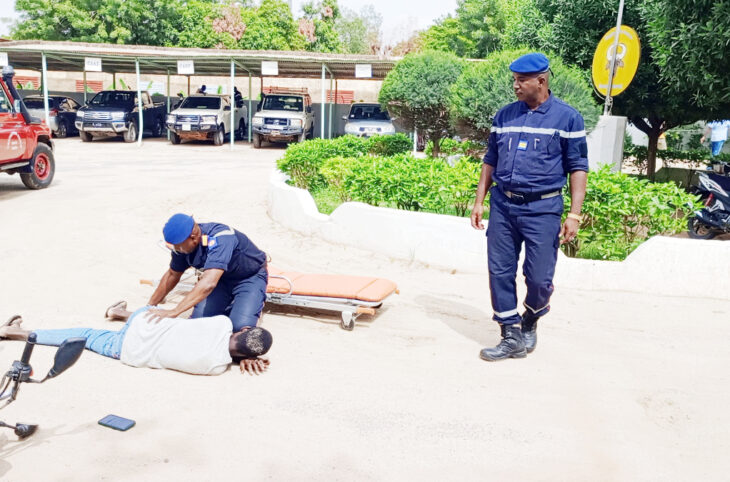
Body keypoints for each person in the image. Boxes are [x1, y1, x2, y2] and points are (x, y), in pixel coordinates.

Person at [470, 52, 588, 362]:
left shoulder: (568, 117)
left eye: (522, 81)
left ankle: (531, 318)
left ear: (542, 81)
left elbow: (578, 167)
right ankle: (510, 334)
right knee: (499, 271)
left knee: (538, 278)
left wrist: (574, 214)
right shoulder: (505, 116)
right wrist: (479, 201)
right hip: (504, 206)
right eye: (514, 80)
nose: (516, 86)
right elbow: (490, 160)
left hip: (543, 209)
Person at [0, 305, 272, 375]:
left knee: (166, 317)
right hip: (126, 351)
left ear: (240, 332)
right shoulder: (215, 369)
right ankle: (19, 334)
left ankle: (119, 312)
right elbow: (225, 352)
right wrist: (243, 356)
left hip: (143, 322)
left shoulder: (222, 324)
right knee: (85, 334)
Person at [148, 214, 268, 332]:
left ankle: (247, 304)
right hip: (221, 281)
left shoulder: (221, 237)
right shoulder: (181, 246)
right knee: (198, 323)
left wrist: (175, 311)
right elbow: (172, 274)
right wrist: (150, 306)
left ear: (194, 238)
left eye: (178, 247)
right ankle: (228, 305)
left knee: (240, 328)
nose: (176, 249)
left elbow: (208, 283)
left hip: (249, 278)